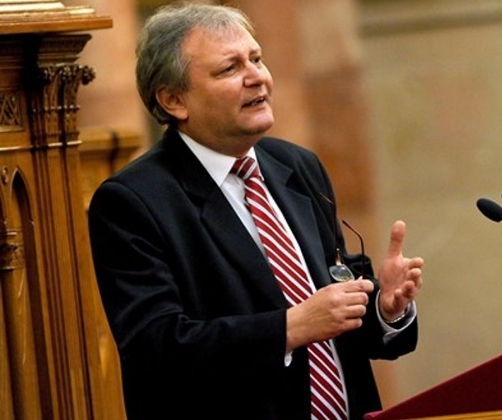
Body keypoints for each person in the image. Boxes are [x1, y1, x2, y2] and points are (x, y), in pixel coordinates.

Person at [87, 3, 424, 419]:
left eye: (257, 59)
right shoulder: (133, 201)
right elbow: (157, 349)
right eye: (229, 68)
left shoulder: (297, 166)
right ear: (174, 100)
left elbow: (334, 318)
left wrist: (385, 309)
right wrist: (291, 327)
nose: (257, 77)